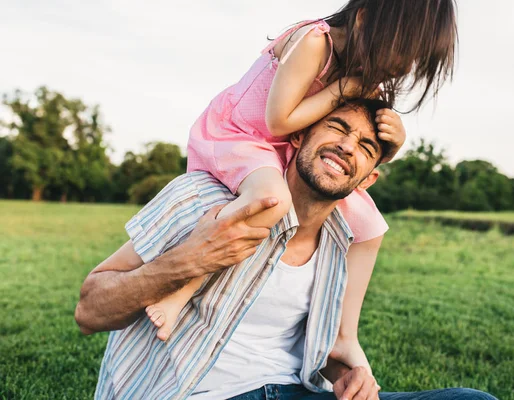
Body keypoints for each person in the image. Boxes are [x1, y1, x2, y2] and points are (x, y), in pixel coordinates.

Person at [75, 99, 496, 400]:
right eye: (337, 128)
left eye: (366, 148)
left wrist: (350, 376)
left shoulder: (343, 242)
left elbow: (329, 347)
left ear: (367, 180)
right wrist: (187, 261)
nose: (349, 147)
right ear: (299, 133)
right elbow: (90, 311)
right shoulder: (203, 199)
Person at [146, 0, 458, 376]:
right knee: (271, 201)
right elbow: (278, 121)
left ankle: (345, 335)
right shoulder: (315, 43)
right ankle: (183, 290)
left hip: (285, 148)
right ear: (363, 20)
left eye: (416, 59)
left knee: (371, 225)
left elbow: (359, 144)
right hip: (241, 136)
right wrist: (343, 88)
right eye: (403, 50)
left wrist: (395, 142)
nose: (404, 66)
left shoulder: (363, 70)